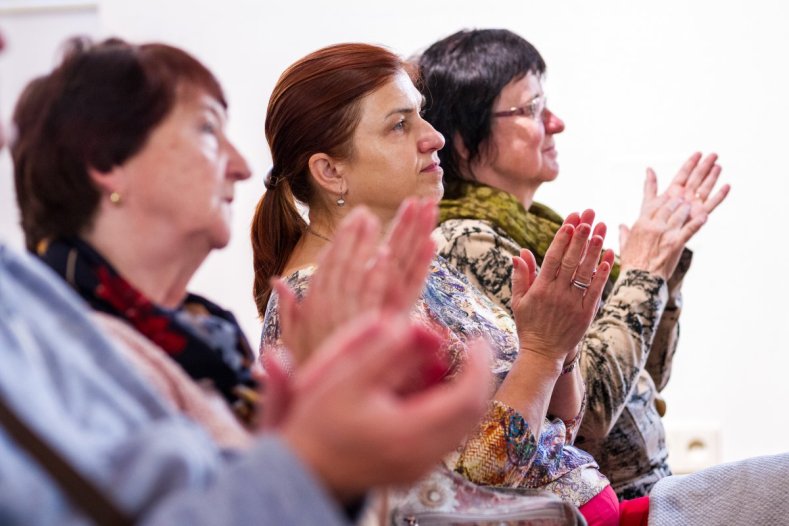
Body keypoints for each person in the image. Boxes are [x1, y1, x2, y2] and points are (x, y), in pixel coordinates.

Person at [0, 33, 492, 525]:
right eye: (207, 130)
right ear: (107, 164)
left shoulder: (205, 338)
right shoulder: (67, 341)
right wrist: (315, 456)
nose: (240, 167)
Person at [251, 42, 690, 525]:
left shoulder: (419, 267)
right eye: (400, 125)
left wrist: (561, 349)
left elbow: (561, 428)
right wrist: (541, 354)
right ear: (331, 171)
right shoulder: (320, 306)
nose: (433, 137)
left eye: (421, 115)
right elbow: (458, 496)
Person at [417, 28, 730, 498]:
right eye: (531, 109)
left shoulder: (536, 231)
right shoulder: (466, 243)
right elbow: (594, 411)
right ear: (462, 142)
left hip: (645, 490)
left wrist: (661, 264)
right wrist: (642, 273)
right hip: (599, 500)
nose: (556, 123)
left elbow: (646, 377)